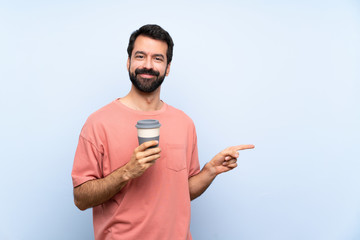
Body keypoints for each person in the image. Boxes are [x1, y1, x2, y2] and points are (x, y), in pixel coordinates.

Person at [71, 24, 254, 240]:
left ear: (167, 68)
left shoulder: (184, 123)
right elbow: (81, 198)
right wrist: (127, 171)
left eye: (157, 58)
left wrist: (210, 170)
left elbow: (180, 192)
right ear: (128, 62)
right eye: (140, 56)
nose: (147, 65)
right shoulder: (98, 123)